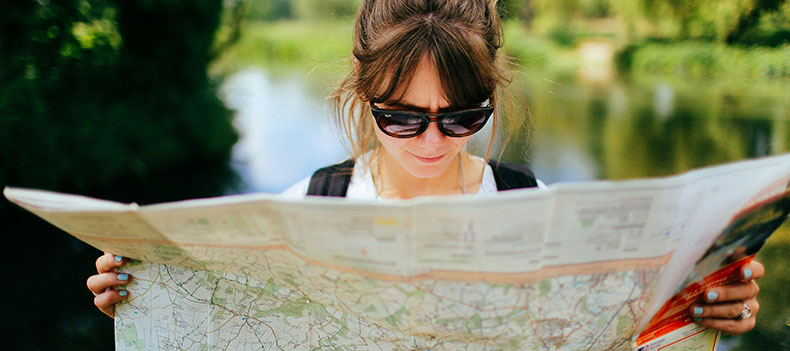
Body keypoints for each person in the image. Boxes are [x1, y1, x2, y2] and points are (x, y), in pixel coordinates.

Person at [86, 0, 763, 336]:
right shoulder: (307, 204)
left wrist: (704, 308)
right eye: (404, 117)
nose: (435, 140)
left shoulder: (541, 207)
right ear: (363, 91)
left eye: (464, 115)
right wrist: (148, 298)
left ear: (494, 91)